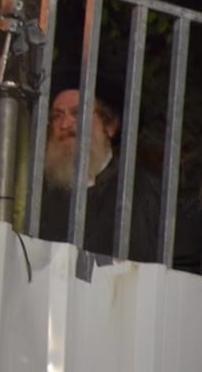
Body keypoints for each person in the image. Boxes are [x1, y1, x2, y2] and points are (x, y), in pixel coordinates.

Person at [37, 69, 160, 263]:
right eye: (57, 115)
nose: (65, 124)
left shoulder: (140, 192)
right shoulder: (40, 192)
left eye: (78, 113)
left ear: (110, 125)